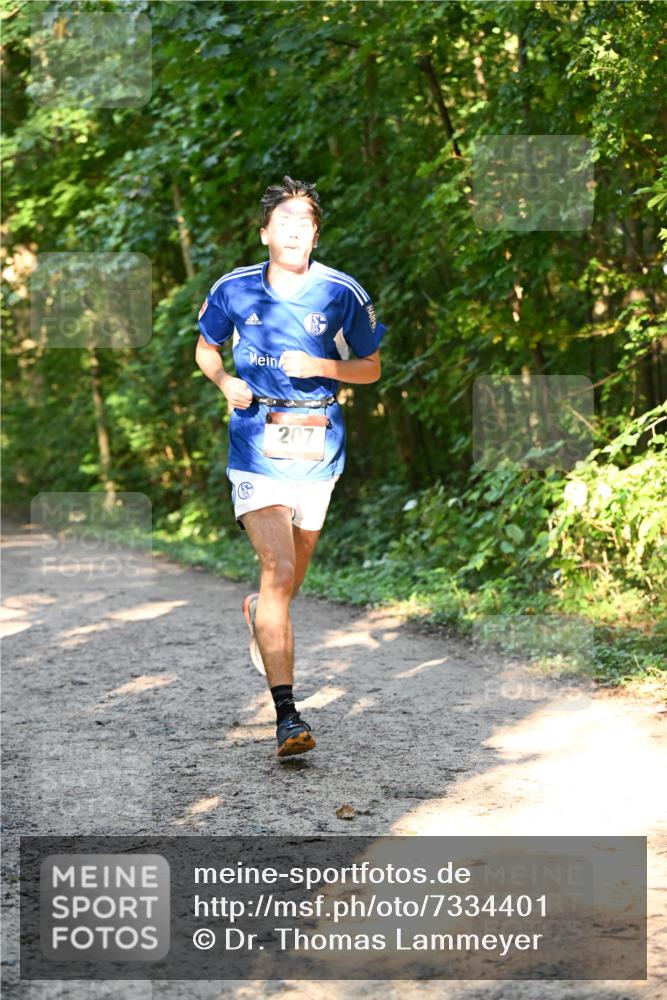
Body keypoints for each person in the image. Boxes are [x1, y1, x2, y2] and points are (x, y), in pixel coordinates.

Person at [195, 175, 386, 758]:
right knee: (278, 568)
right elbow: (206, 349)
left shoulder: (342, 292)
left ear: (315, 234)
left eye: (304, 220)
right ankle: (287, 716)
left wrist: (324, 366)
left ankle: (258, 612)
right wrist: (227, 381)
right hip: (256, 442)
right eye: (284, 220)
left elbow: (371, 367)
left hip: (318, 443)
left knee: (288, 579)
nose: (294, 229)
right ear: (265, 233)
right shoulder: (233, 289)